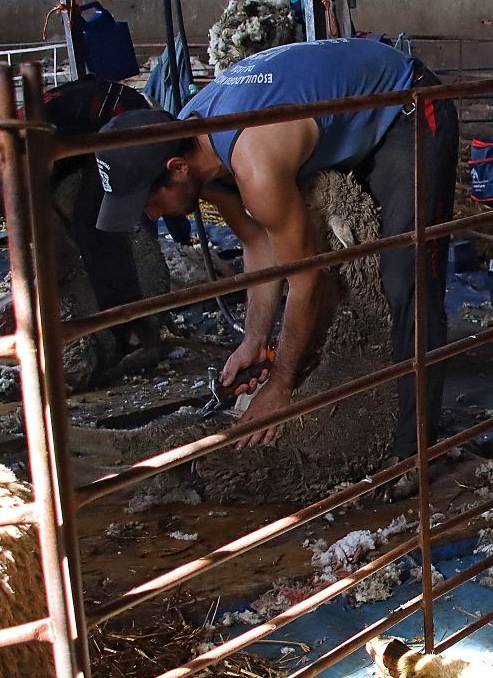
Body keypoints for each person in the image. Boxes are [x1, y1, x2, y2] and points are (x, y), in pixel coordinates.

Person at [92, 38, 459, 487]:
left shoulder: (253, 159)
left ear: (176, 168)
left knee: (407, 273)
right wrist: (255, 339)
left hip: (405, 103)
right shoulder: (197, 143)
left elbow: (308, 281)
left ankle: (416, 450)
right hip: (343, 114)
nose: (151, 216)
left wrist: (280, 386)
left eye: (149, 201)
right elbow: (257, 241)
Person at [0, 77, 160, 366]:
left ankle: (139, 336)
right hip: (75, 125)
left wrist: (21, 305)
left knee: (93, 228)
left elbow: (61, 257)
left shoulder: (6, 185)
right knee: (68, 208)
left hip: (117, 116)